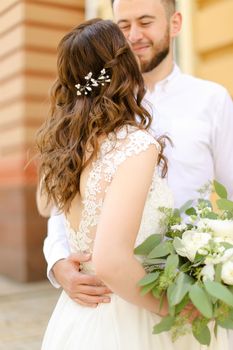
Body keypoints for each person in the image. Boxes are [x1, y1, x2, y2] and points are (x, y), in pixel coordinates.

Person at [41, 0, 233, 310]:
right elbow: (65, 196)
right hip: (112, 296)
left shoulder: (211, 100)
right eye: (124, 26)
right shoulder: (93, 108)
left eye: (145, 22)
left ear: (175, 24)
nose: (133, 35)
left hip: (190, 287)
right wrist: (58, 262)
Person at [38, 18, 199, 349]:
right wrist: (176, 308)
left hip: (78, 315)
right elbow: (111, 260)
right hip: (130, 315)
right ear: (123, 67)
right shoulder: (135, 146)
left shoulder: (67, 147)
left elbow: (45, 206)